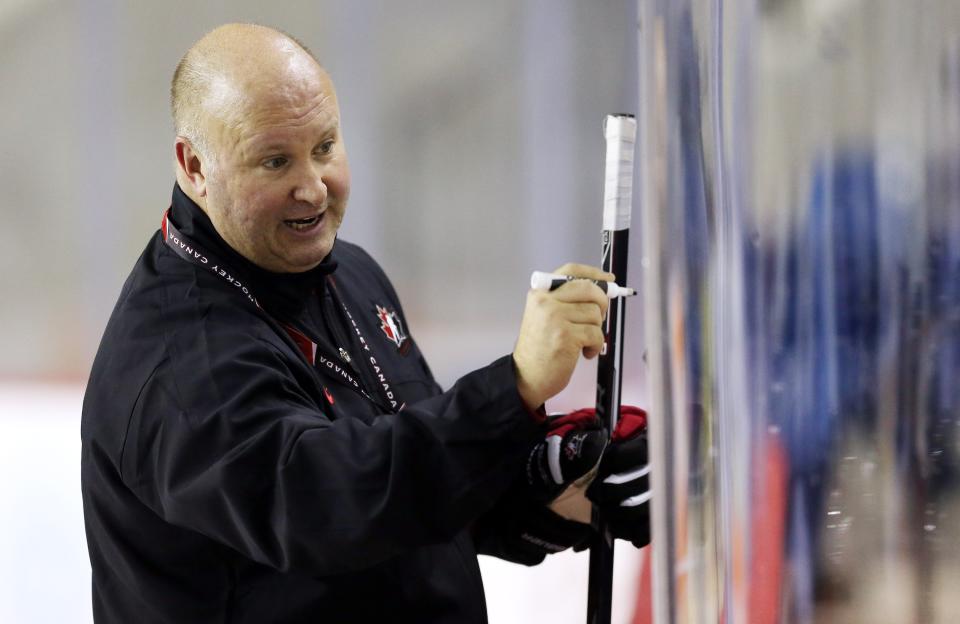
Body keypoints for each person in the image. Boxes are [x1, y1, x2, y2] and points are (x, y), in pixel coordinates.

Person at [81, 23, 649, 623]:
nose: (312, 188)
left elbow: (415, 495)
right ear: (194, 165)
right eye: (275, 161)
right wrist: (514, 386)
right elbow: (330, 509)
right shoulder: (180, 361)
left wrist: (554, 482)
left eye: (324, 147)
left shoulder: (344, 272)